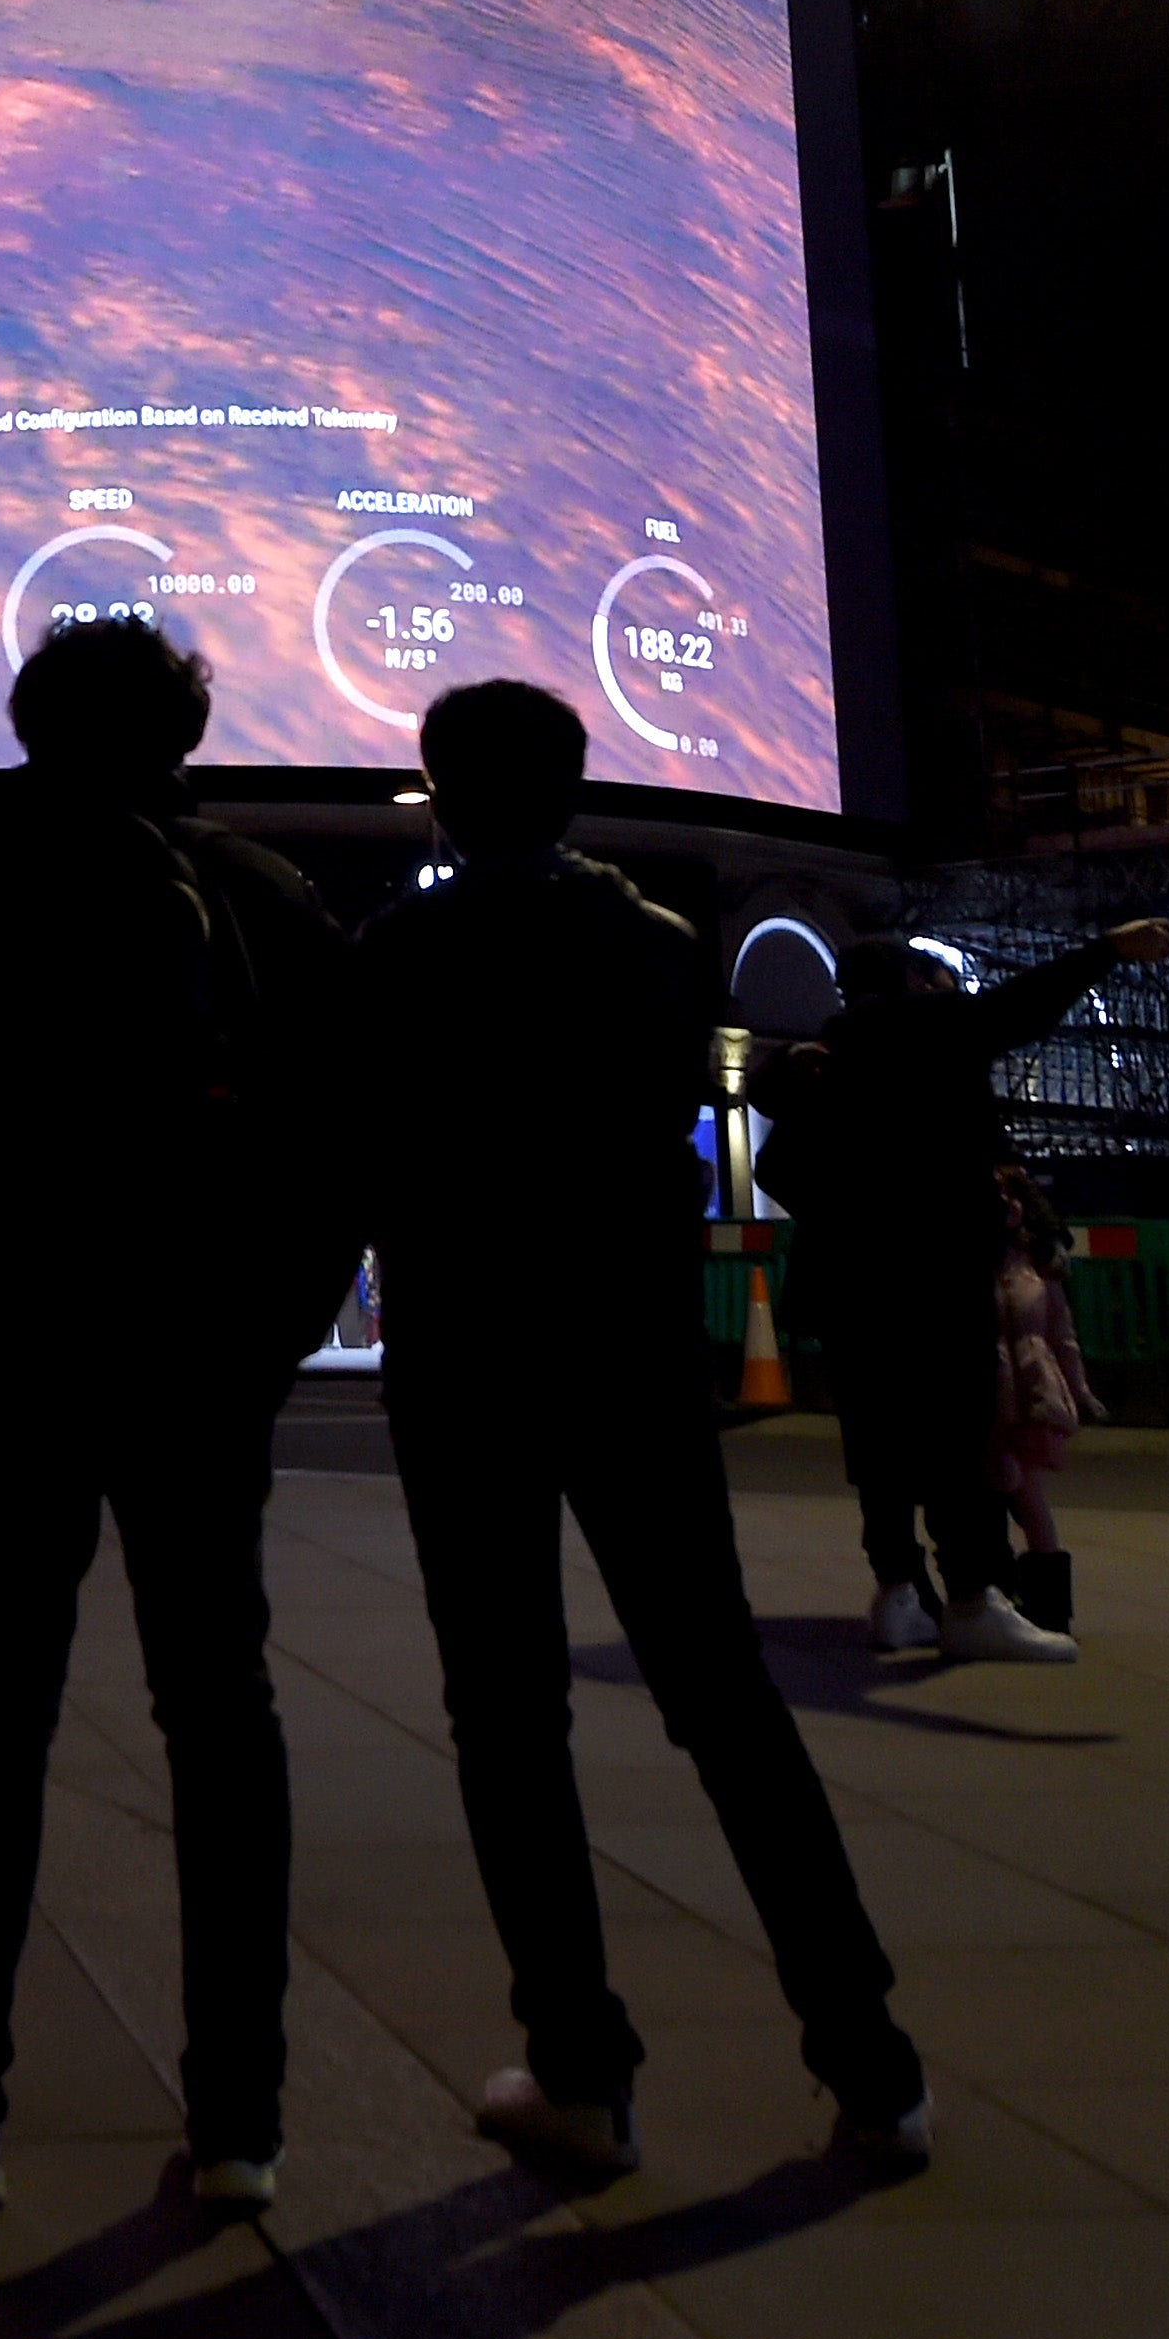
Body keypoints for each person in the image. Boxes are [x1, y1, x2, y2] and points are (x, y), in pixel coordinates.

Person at [354, 679, 924, 2181]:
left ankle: (580, 2066)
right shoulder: (659, 949)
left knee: (506, 1707)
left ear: (439, 791)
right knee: (722, 1689)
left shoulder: (402, 950)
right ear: (578, 782)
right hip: (628, 1357)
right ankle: (871, 2058)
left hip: (467, 1363)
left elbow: (363, 1151)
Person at [0, 618, 349, 2219]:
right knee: (223, 1709)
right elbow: (334, 1152)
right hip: (198, 1364)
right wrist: (264, 1343)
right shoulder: (265, 902)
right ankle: (244, 2118)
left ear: (26, 723)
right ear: (185, 740)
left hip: (13, 1359)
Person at [794, 917, 1169, 1662]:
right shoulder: (931, 1028)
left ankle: (898, 1591)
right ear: (910, 981)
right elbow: (1022, 1006)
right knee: (958, 1428)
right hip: (935, 1267)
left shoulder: (826, 1054)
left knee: (877, 1438)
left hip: (849, 1280)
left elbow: (783, 1160)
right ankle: (972, 1594)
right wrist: (1105, 948)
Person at [993, 1167, 1099, 1635]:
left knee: (1027, 1495)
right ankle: (1002, 1588)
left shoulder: (1040, 1267)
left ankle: (1046, 1603)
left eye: (1011, 1196)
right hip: (990, 1390)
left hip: (1030, 1391)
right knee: (1003, 1484)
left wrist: (1080, 1392)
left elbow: (1064, 1336)